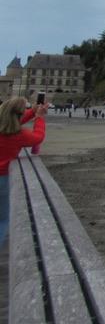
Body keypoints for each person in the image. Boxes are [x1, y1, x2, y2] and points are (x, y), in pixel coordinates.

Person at [0, 97, 47, 243]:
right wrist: (38, 118)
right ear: (19, 115)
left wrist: (32, 111)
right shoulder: (19, 134)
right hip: (3, 178)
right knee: (2, 220)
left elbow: (12, 119)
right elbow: (38, 137)